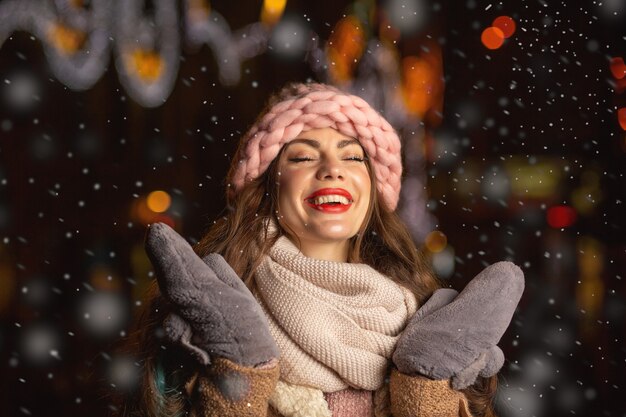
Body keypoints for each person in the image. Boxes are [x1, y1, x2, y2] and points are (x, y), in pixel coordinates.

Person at [119, 82, 524, 417]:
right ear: (268, 190)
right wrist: (236, 372)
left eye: (352, 156)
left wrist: (427, 388)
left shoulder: (422, 319)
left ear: (372, 192)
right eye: (304, 156)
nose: (333, 169)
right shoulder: (215, 316)